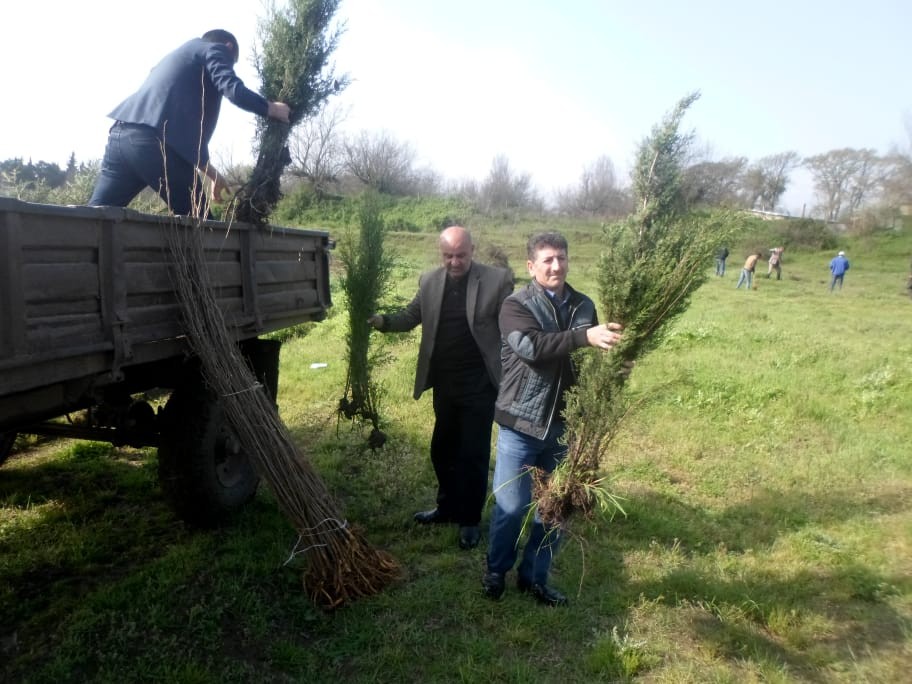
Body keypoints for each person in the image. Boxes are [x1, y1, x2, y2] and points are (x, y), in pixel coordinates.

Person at [482, 232, 624, 607]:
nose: (556, 266)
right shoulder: (515, 305)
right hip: (521, 423)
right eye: (547, 260)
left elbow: (590, 359)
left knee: (555, 510)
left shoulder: (583, 305)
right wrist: (583, 337)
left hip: (563, 427)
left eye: (561, 258)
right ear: (531, 266)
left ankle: (534, 577)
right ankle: (497, 570)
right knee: (510, 507)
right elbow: (531, 347)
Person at [368, 226, 514, 550]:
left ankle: (470, 520)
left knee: (472, 453)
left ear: (472, 251)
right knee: (442, 450)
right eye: (448, 256)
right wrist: (383, 322)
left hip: (480, 385)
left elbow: (513, 322)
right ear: (441, 254)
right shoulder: (429, 281)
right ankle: (447, 508)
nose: (454, 262)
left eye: (461, 255)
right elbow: (411, 316)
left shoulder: (496, 280)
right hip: (445, 384)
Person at [88, 30, 291, 217]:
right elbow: (232, 89)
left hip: (121, 137)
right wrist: (272, 108)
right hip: (154, 145)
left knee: (92, 219)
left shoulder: (178, 59)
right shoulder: (214, 49)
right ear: (228, 47)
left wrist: (213, 175)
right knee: (203, 227)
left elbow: (178, 133)